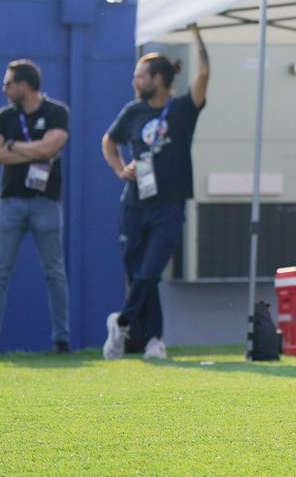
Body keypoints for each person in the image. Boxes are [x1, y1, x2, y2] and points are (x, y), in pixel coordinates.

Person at [100, 25, 209, 360]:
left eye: (140, 76)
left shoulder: (181, 110)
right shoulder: (133, 111)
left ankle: (122, 321)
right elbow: (109, 141)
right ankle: (154, 341)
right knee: (138, 274)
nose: (134, 82)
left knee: (150, 270)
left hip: (170, 204)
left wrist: (196, 33)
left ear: (158, 79)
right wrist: (121, 170)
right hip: (134, 203)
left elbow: (204, 73)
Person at [0, 61, 71, 355]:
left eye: (8, 83)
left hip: (45, 203)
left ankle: (61, 340)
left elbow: (51, 148)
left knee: (54, 272)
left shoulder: (56, 112)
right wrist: (32, 149)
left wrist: (12, 146)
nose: (4, 89)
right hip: (10, 202)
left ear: (23, 86)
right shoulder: (5, 117)